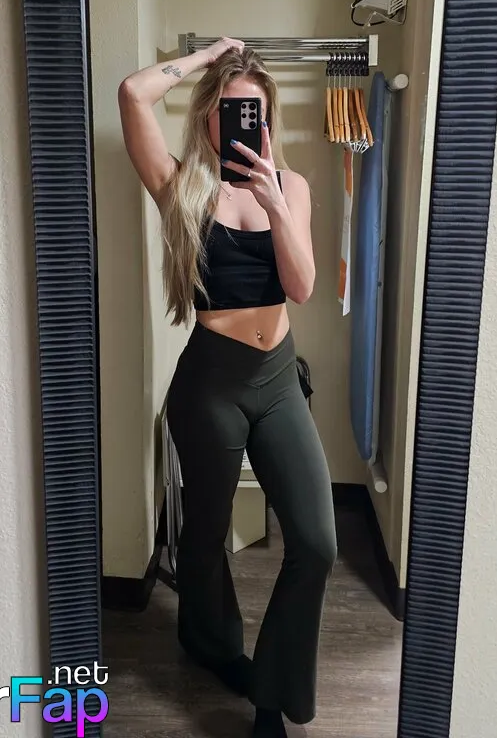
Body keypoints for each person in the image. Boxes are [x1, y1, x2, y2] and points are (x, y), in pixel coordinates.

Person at [118, 38, 338, 738]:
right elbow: (133, 94)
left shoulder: (291, 187)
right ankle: (211, 647)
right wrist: (208, 56)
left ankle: (272, 694)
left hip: (277, 380)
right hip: (210, 383)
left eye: (256, 113)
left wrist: (274, 203)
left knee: (317, 541)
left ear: (269, 121)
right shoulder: (181, 185)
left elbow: (301, 286)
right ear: (208, 116)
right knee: (207, 534)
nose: (245, 123)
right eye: (231, 111)